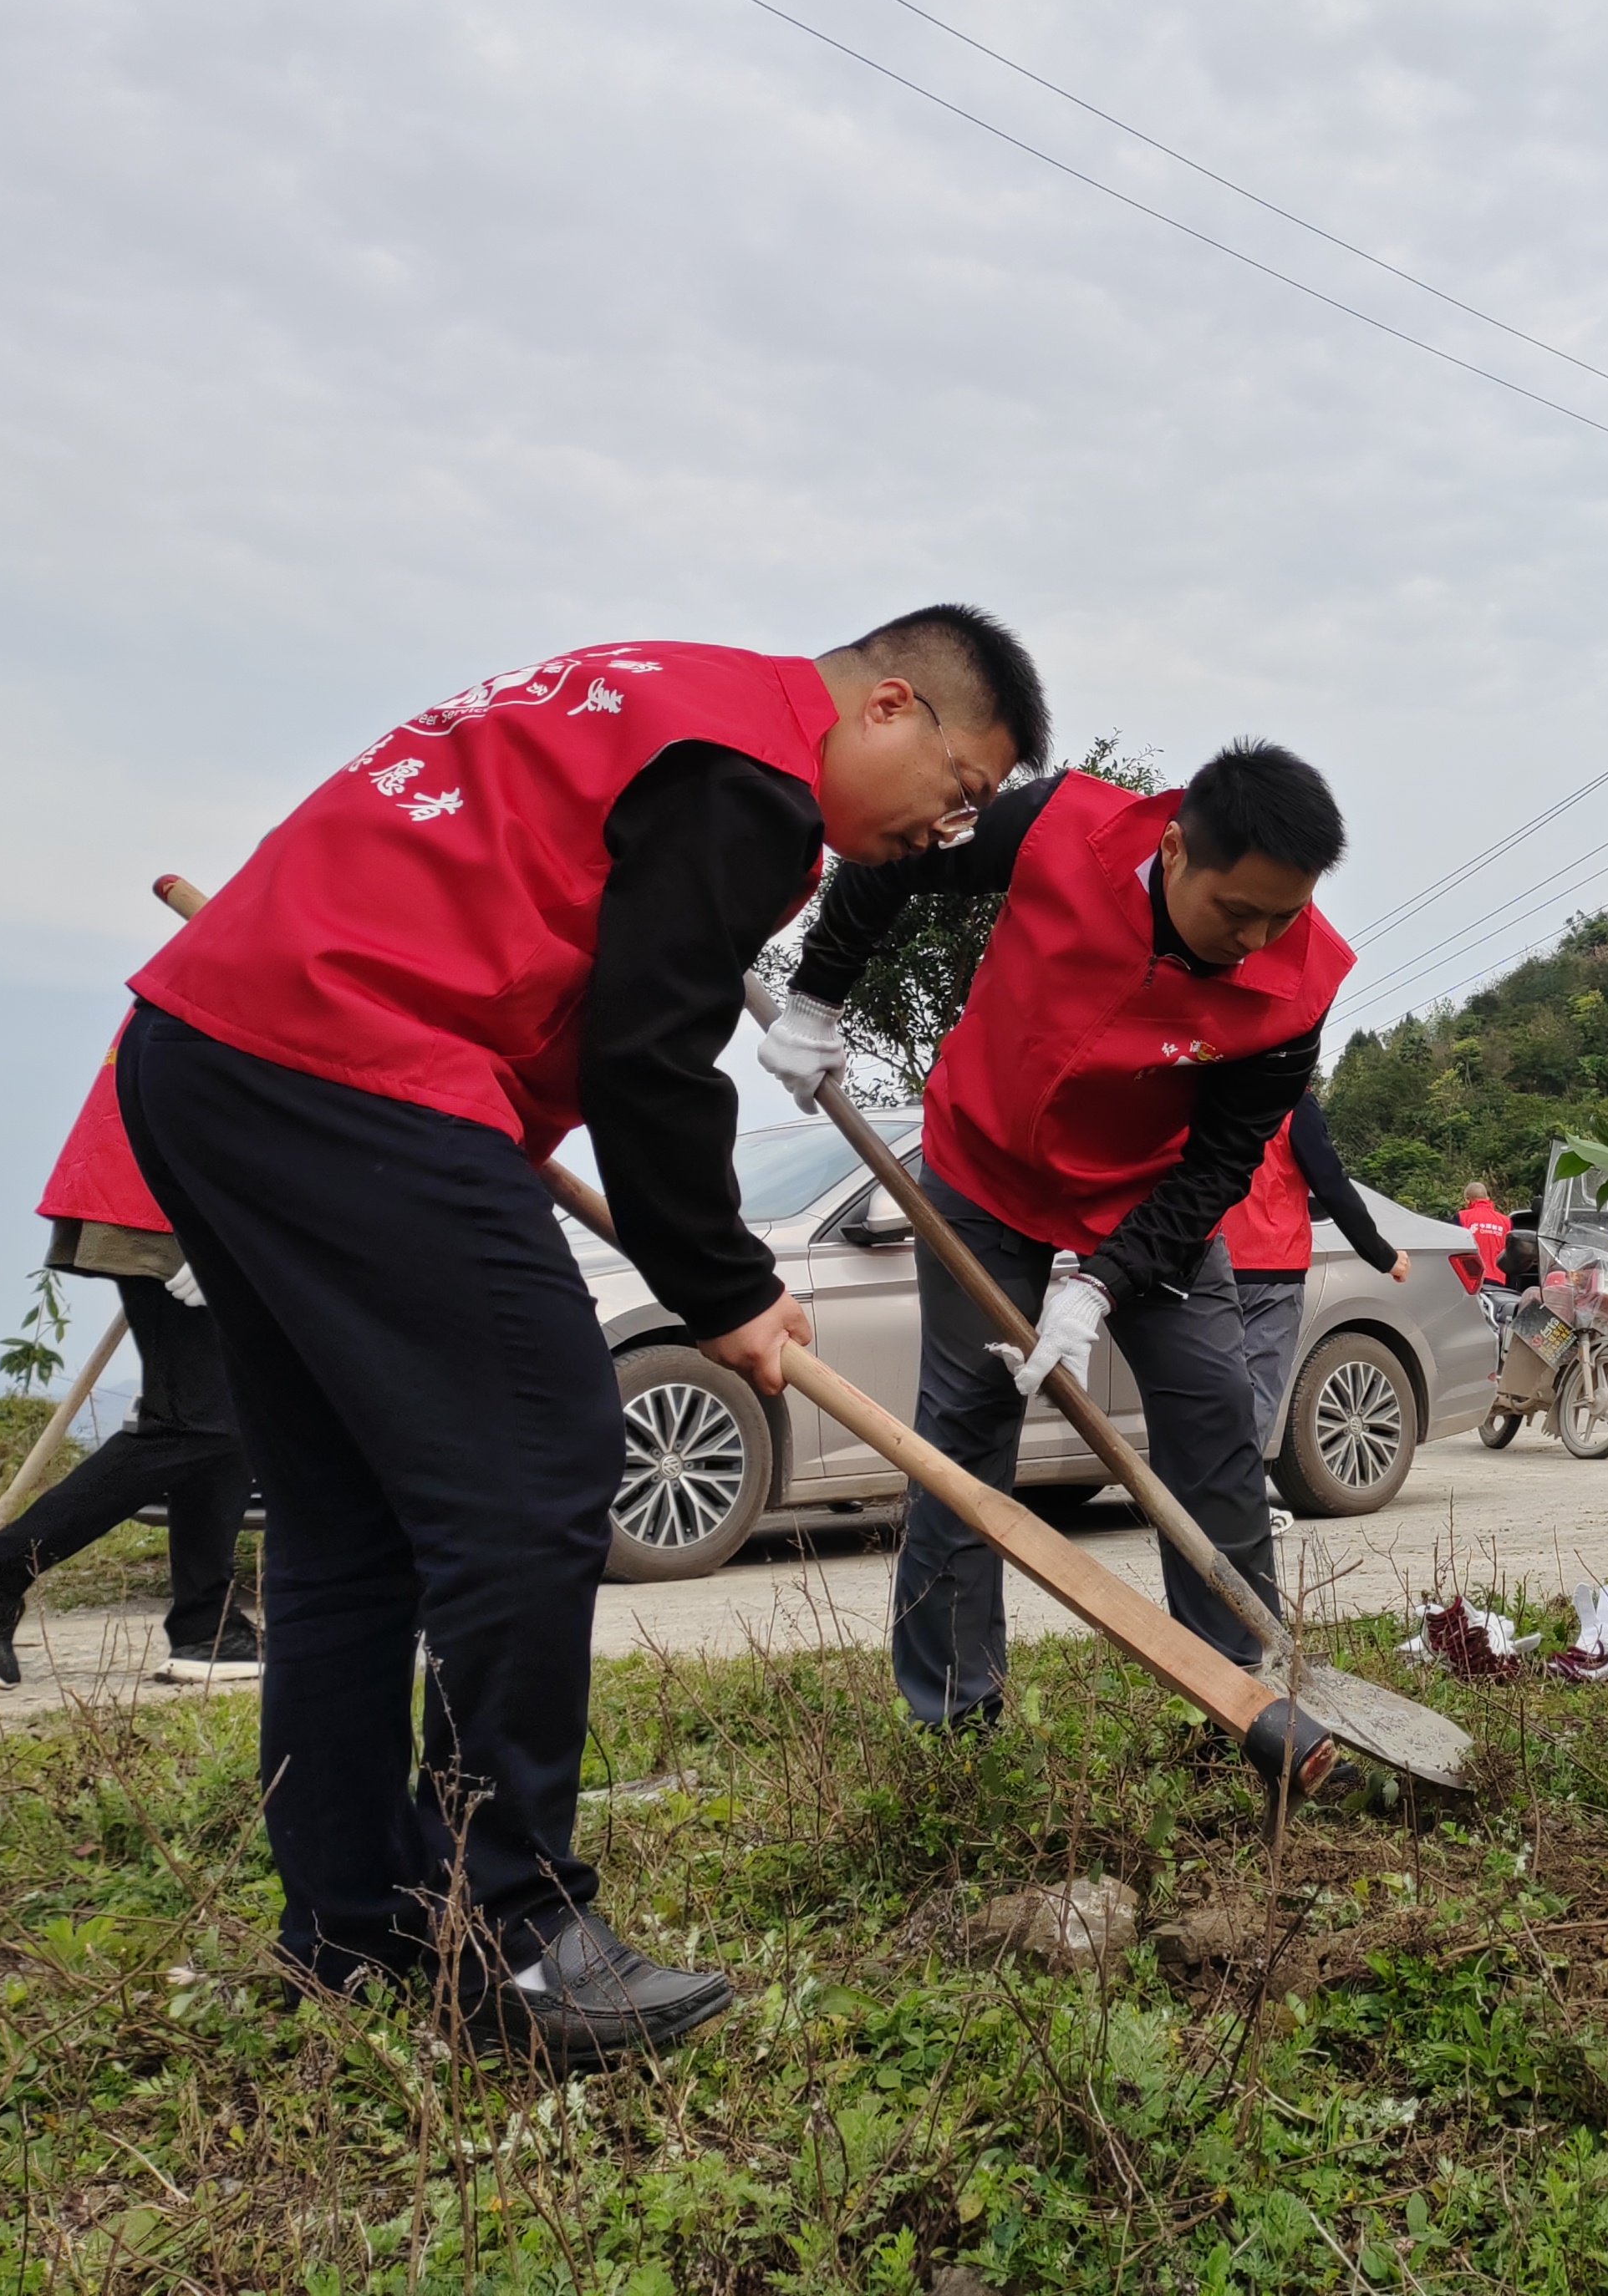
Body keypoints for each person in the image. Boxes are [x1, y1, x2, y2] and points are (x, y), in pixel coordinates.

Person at [120, 608, 1048, 2069]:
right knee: (547, 1454)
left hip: (208, 1050)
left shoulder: (662, 692)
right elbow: (649, 1046)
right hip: (353, 1059)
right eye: (963, 784)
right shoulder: (748, 770)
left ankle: (353, 1929)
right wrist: (728, 1284)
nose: (950, 826)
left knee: (348, 1524)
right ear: (887, 706)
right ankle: (519, 1930)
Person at [761, 740, 1354, 1730]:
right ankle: (954, 1713)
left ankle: (1243, 1698)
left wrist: (1105, 1282)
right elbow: (891, 857)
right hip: (983, 1170)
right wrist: (819, 997)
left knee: (1211, 1418)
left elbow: (1219, 1163)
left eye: (1283, 915)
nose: (1256, 939)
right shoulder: (1053, 827)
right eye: (1237, 911)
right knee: (966, 1425)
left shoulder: (1297, 991)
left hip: (1146, 1196)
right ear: (1172, 851)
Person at [0, 1029, 261, 1692]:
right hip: (176, 1200)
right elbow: (211, 1081)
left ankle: (210, 1630)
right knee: (201, 1423)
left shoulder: (252, 951)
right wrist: (213, 1223)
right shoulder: (249, 964)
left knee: (219, 1420)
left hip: (181, 1194)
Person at [1221, 1086, 1409, 1455]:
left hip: (1206, 1266)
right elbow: (1330, 1182)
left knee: (1207, 1396)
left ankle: (1198, 1500)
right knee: (1257, 1395)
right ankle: (1231, 1504)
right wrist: (1383, 1256)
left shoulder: (1209, 1091)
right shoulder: (1290, 1099)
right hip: (1273, 1269)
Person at [1455, 1181, 1509, 1290]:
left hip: (1469, 1281)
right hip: (1498, 1282)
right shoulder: (1507, 1222)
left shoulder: (1461, 1218)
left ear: (1467, 1200)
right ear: (1487, 1198)